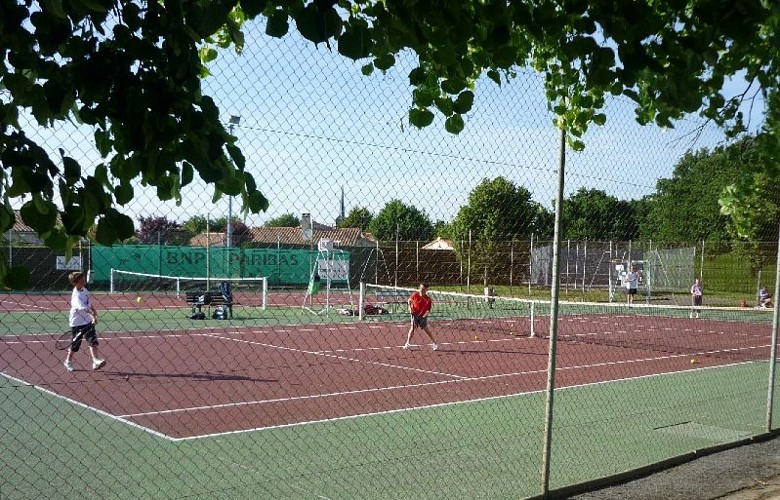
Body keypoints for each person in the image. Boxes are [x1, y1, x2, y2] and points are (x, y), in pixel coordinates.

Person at [63, 271, 106, 371]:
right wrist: (92, 316)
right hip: (77, 323)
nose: (83, 282)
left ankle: (95, 361)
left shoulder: (84, 290)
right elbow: (82, 308)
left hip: (87, 322)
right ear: (75, 283)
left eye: (83, 280)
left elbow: (88, 303)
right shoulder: (76, 295)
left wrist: (94, 310)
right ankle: (68, 361)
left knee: (92, 340)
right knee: (75, 345)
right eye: (81, 281)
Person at [403, 282, 439, 351]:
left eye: (423, 289)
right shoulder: (415, 294)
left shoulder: (428, 299)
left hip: (422, 316)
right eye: (420, 288)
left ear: (426, 290)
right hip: (414, 314)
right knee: (412, 328)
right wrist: (410, 308)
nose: (421, 290)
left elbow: (428, 310)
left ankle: (434, 343)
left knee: (426, 330)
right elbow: (409, 301)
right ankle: (407, 343)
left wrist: (425, 315)